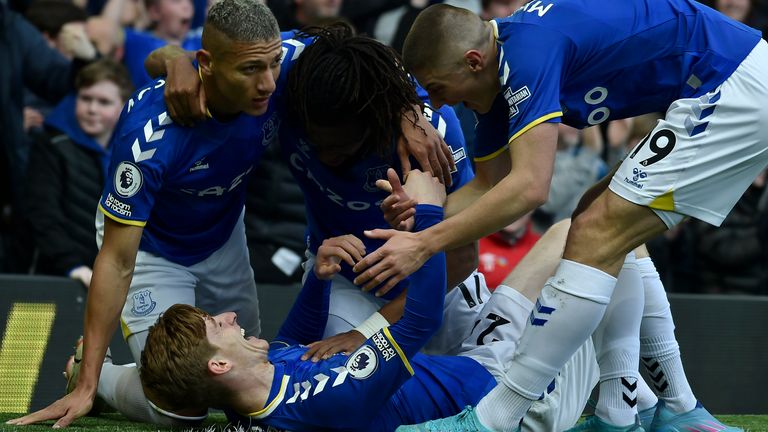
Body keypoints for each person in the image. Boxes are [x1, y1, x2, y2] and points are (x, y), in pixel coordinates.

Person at [364, 1, 762, 431]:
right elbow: (488, 186)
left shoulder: (528, 54)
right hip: (711, 85)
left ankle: (494, 419)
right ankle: (647, 413)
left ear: (472, 62)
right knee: (596, 215)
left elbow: (531, 188)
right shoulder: (494, 76)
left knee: (596, 230)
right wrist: (421, 213)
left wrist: (426, 243)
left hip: (732, 81)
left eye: (438, 89)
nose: (439, 104)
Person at [8, 0, 300, 427]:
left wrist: (414, 117)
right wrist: (89, 382)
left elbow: (360, 56)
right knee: (175, 409)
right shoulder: (149, 138)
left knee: (249, 388)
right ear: (209, 64)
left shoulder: (279, 59)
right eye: (251, 69)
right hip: (150, 249)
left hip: (223, 238)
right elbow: (117, 259)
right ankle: (97, 376)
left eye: (273, 64)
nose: (270, 83)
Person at [138, 169, 603, 432]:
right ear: (218, 367)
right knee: (601, 232)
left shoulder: (250, 395)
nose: (229, 315)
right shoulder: (322, 400)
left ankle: (635, 397)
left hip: (480, 362)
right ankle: (638, 406)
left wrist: (319, 276)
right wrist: (427, 216)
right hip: (515, 403)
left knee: (577, 227)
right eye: (216, 325)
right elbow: (418, 323)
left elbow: (295, 340)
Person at [26, 59, 133, 285]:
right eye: (85, 98)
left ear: (123, 106)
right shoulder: (52, 145)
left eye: (103, 102)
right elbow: (42, 213)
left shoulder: (131, 152)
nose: (92, 108)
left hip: (108, 279)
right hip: (55, 277)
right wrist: (71, 265)